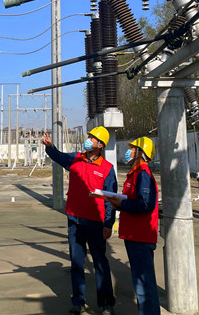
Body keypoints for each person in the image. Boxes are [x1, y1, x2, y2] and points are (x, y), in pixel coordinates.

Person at [42, 127, 117, 315]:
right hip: (74, 220)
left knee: (100, 263)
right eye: (89, 136)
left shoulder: (107, 169)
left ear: (100, 145)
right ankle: (78, 302)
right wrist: (50, 147)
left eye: (92, 138)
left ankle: (106, 303)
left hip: (96, 223)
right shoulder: (75, 158)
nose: (88, 139)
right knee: (76, 263)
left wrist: (108, 224)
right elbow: (58, 157)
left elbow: (111, 198)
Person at [104, 137, 160, 315]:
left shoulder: (143, 174)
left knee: (144, 285)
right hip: (133, 235)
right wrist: (119, 202)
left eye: (133, 149)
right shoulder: (135, 174)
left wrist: (121, 204)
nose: (129, 152)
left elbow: (145, 204)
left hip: (140, 237)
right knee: (140, 284)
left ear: (141, 153)